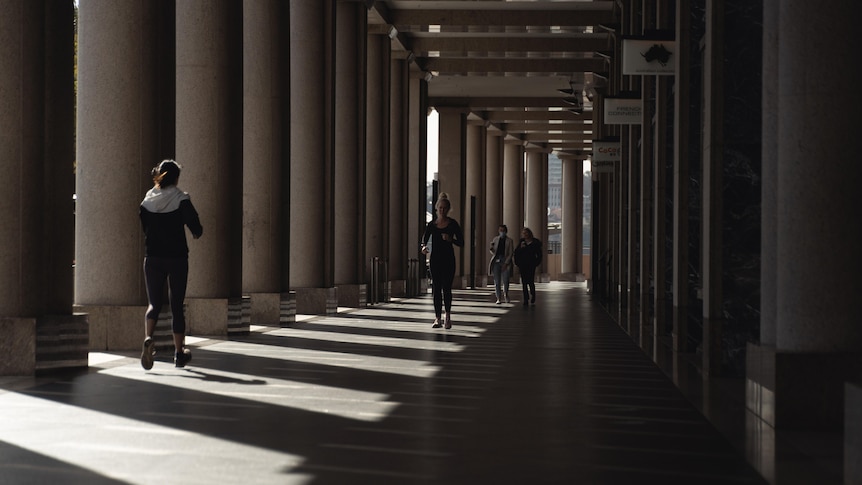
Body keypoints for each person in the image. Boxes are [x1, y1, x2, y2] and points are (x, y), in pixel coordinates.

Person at [139, 160, 203, 369]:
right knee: (176, 305)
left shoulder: (147, 201)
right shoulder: (181, 199)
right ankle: (178, 353)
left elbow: (145, 228)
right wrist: (194, 231)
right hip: (176, 258)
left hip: (153, 257)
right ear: (176, 178)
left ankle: (149, 337)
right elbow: (197, 228)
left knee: (154, 304)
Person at [421, 192, 463, 329]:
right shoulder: (432, 225)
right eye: (440, 208)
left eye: (445, 208)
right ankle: (437, 317)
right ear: (436, 209)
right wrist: (423, 247)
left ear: (448, 209)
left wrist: (451, 240)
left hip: (449, 259)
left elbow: (462, 242)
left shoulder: (453, 224)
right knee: (436, 288)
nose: (442, 210)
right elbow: (424, 239)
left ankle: (448, 316)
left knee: (447, 289)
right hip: (435, 260)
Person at [514, 227, 542, 306]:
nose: (525, 235)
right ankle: (525, 298)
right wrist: (521, 249)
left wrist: (536, 263)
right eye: (523, 233)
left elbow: (539, 255)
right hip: (523, 265)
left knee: (530, 281)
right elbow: (516, 253)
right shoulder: (521, 243)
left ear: (529, 234)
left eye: (526, 233)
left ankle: (533, 295)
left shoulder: (535, 243)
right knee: (524, 282)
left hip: (531, 265)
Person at [488, 224, 514, 304]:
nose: (501, 232)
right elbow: (493, 252)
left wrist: (506, 263)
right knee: (497, 281)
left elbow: (510, 253)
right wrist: (491, 249)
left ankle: (506, 294)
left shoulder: (509, 241)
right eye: (500, 230)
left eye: (503, 230)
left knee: (506, 280)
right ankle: (498, 297)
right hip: (496, 260)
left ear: (505, 231)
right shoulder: (495, 239)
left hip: (505, 260)